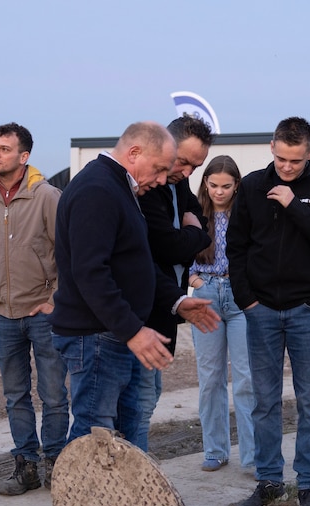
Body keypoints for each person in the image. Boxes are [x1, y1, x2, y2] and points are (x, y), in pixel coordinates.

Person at [50, 121, 219, 451]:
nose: (160, 180)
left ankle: (122, 502)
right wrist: (133, 331)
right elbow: (91, 273)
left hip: (111, 333)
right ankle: (83, 502)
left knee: (123, 430)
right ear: (134, 152)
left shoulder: (118, 188)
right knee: (94, 434)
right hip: (96, 335)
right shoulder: (97, 190)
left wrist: (175, 301)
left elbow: (136, 265)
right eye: (158, 170)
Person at [229, 116, 310, 506]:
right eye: (281, 158)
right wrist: (247, 301)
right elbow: (236, 248)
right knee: (263, 401)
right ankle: (268, 480)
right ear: (272, 147)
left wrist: (294, 204)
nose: (286, 167)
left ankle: (309, 485)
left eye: (295, 161)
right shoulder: (250, 186)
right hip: (261, 310)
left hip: (308, 310)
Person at [0, 122, 69, 496]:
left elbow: (67, 251)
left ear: (24, 157)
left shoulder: (47, 196)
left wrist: (55, 295)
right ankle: (25, 465)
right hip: (2, 316)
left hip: (43, 315)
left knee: (54, 394)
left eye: (4, 149)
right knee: (15, 394)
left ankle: (56, 463)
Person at [134, 114, 214, 451]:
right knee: (137, 403)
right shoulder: (150, 188)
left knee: (149, 397)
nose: (187, 173)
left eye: (196, 166)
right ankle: (131, 478)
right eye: (183, 161)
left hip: (167, 306)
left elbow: (202, 219)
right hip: (143, 312)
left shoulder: (177, 181)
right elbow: (166, 245)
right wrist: (193, 232)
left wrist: (193, 232)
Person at [187, 155, 256, 473]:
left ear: (236, 185)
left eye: (226, 186)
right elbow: (177, 248)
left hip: (239, 295)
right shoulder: (195, 213)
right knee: (211, 378)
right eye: (213, 185)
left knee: (245, 378)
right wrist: (194, 279)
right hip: (205, 296)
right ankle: (215, 450)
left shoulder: (245, 212)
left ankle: (253, 454)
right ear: (205, 184)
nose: (219, 191)